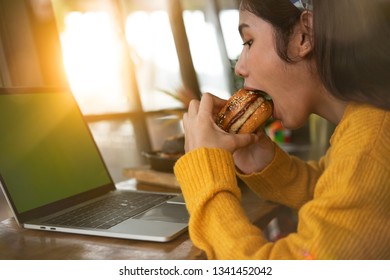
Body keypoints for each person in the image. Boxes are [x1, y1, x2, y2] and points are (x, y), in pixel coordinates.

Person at [173, 0, 390, 259]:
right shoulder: (367, 123)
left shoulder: (371, 146)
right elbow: (335, 196)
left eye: (249, 41)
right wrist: (257, 158)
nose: (240, 67)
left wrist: (204, 176)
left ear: (303, 36)